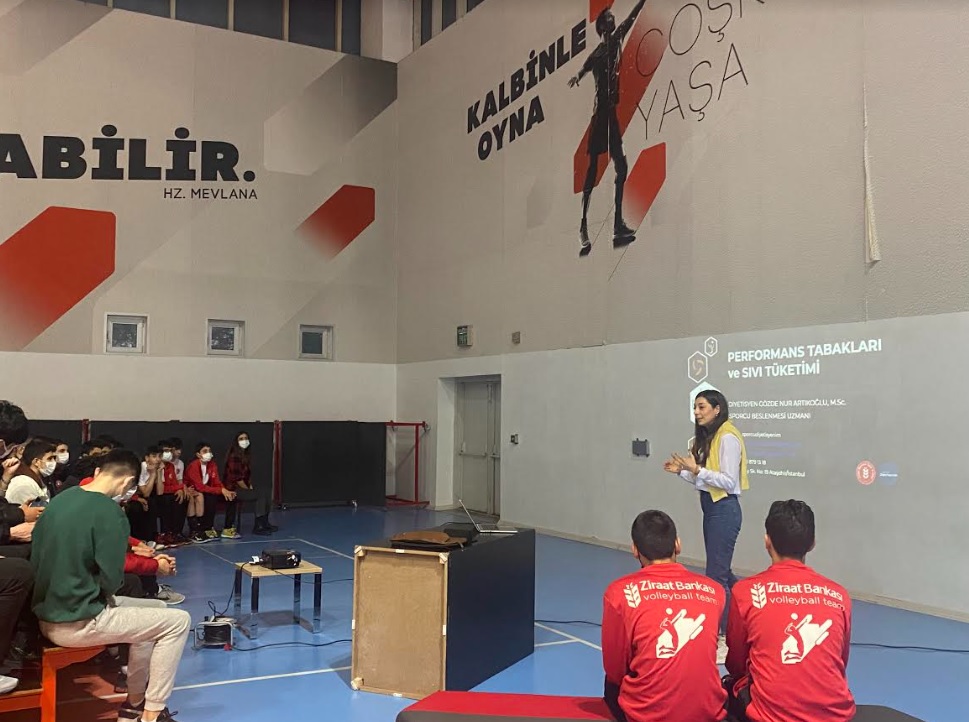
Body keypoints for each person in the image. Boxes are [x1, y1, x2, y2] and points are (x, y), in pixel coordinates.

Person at [31, 448, 190, 722]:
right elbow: (112, 580)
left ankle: (134, 705)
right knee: (179, 621)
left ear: (97, 472)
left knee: (157, 610)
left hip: (48, 611)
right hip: (77, 621)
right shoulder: (110, 512)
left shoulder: (62, 499)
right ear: (127, 482)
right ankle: (152, 714)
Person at [723, 500, 855, 722]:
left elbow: (736, 664)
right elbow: (840, 662)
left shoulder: (745, 592)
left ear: (767, 541)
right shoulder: (839, 595)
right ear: (812, 543)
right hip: (837, 716)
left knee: (730, 686)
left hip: (768, 718)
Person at [602, 510, 727, 722]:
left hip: (646, 715)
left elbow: (615, 670)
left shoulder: (618, 593)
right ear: (677, 545)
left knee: (611, 685)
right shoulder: (715, 591)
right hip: (708, 713)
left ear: (635, 550)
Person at [664, 388, 748, 663]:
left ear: (717, 409)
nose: (697, 413)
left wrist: (696, 469)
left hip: (725, 509)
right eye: (695, 408)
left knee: (716, 576)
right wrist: (683, 472)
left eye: (702, 407)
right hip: (711, 508)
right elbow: (705, 480)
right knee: (722, 571)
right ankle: (748, 615)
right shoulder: (710, 438)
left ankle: (722, 638)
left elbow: (728, 481)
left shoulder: (727, 437)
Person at [568, 0, 645, 256]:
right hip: (600, 114)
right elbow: (584, 68)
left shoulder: (615, 40)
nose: (614, 20)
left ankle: (617, 225)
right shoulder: (598, 52)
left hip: (609, 113)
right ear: (603, 26)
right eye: (610, 18)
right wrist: (577, 76)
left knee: (620, 165)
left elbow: (631, 18)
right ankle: (583, 225)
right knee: (593, 168)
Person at [221, 431, 276, 538]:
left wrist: (250, 486)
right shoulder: (234, 456)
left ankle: (264, 522)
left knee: (266, 492)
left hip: (242, 487)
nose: (244, 441)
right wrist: (248, 490)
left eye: (246, 438)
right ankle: (258, 526)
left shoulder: (245, 456)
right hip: (233, 489)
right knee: (260, 495)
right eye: (241, 439)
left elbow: (247, 476)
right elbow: (238, 479)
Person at [184, 442, 235, 542]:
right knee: (203, 497)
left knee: (230, 496)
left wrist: (225, 490)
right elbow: (199, 487)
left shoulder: (212, 464)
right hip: (194, 490)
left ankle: (227, 528)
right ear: (198, 454)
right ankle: (198, 530)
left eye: (209, 451)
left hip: (205, 490)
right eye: (205, 451)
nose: (208, 453)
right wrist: (220, 490)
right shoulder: (193, 466)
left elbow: (217, 482)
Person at [4, 438, 57, 506]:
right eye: (50, 458)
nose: (54, 462)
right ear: (36, 462)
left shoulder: (40, 480)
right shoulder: (23, 484)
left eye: (54, 458)